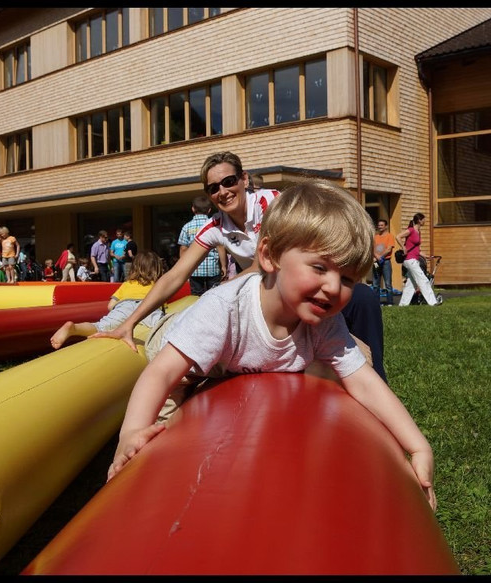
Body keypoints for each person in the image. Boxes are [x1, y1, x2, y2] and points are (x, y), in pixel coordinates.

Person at [105, 180, 437, 510]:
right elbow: (162, 373)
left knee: (357, 353)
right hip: (180, 355)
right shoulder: (226, 308)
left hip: (230, 360)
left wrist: (418, 446)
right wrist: (132, 432)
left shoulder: (324, 319)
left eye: (348, 278)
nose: (334, 287)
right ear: (269, 256)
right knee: (160, 432)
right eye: (319, 267)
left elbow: (363, 381)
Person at [94, 151, 388, 381]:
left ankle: (375, 383)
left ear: (244, 179)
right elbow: (175, 275)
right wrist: (130, 323)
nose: (222, 191)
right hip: (272, 300)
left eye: (228, 181)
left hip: (300, 287)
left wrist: (223, 288)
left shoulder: (274, 203)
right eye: (213, 188)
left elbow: (267, 263)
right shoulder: (215, 227)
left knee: (363, 299)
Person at [50, 251, 168, 349]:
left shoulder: (128, 284)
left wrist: (120, 313)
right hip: (147, 306)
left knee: (101, 326)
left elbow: (110, 305)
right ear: (157, 269)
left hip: (124, 305)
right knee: (162, 326)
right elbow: (162, 305)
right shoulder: (157, 284)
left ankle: (74, 328)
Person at [177, 195, 225, 296]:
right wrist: (224, 266)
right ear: (209, 210)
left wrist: (183, 269)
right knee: (214, 296)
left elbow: (183, 249)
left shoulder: (187, 227)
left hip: (194, 269)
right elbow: (220, 246)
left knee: (196, 297)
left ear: (193, 209)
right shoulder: (214, 225)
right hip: (212, 269)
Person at [395, 213, 440, 307]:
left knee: (411, 284)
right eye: (424, 219)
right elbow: (398, 236)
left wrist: (426, 256)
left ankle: (403, 305)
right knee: (423, 280)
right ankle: (433, 302)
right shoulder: (411, 230)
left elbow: (417, 250)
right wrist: (403, 247)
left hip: (414, 259)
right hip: (410, 260)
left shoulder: (418, 232)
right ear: (419, 220)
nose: (425, 221)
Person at [372, 218, 395, 300]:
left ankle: (390, 302)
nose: (380, 227)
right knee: (375, 284)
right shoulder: (375, 237)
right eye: (379, 225)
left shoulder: (390, 236)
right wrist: (376, 257)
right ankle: (375, 302)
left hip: (386, 262)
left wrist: (380, 257)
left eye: (381, 225)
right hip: (376, 262)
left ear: (386, 226)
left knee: (388, 284)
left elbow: (389, 249)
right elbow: (372, 249)